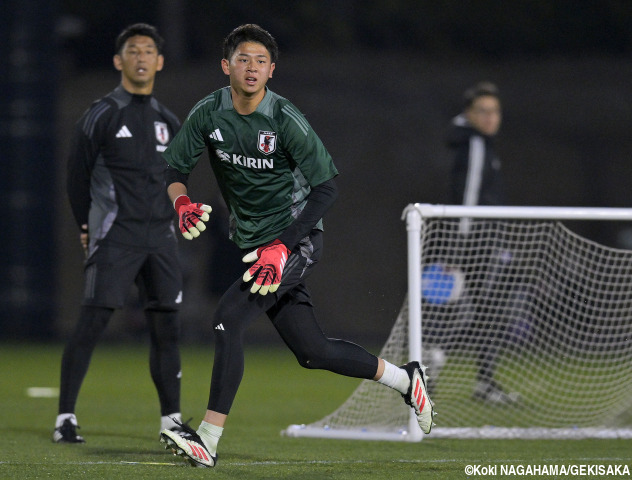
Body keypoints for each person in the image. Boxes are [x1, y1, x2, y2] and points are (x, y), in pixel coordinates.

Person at [158, 24, 434, 468]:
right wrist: (182, 203)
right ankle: (407, 381)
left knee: (228, 319)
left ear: (272, 71)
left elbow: (326, 189)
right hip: (254, 245)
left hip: (295, 240)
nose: (252, 68)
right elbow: (173, 168)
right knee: (313, 352)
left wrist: (283, 247)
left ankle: (208, 438)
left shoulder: (284, 118)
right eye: (244, 59)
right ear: (226, 66)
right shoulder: (209, 112)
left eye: (261, 61)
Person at [54, 23, 188, 443]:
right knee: (92, 322)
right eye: (133, 50)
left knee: (166, 328)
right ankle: (65, 418)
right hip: (115, 234)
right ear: (119, 61)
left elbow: (178, 178)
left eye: (149, 50)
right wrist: (84, 225)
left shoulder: (169, 120)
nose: (142, 57)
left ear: (160, 62)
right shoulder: (102, 113)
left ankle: (171, 420)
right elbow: (76, 176)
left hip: (161, 239)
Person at [445, 81, 520, 405]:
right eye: (483, 112)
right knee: (483, 311)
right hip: (475, 243)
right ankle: (442, 367)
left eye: (495, 112)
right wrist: (460, 250)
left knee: (482, 310)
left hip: (482, 241)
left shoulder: (480, 142)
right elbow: (469, 198)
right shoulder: (475, 144)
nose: (491, 118)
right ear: (469, 114)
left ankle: (478, 380)